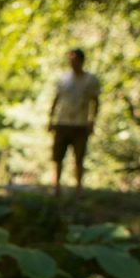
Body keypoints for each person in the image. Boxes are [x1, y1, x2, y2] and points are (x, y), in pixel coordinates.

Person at [47, 48, 100, 196]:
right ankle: (56, 186)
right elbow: (56, 99)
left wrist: (91, 121)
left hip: (80, 124)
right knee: (57, 156)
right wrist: (51, 119)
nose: (72, 63)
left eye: (75, 60)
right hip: (62, 122)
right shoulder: (63, 79)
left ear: (81, 61)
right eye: (70, 60)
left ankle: (78, 188)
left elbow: (95, 102)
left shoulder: (91, 80)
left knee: (79, 157)